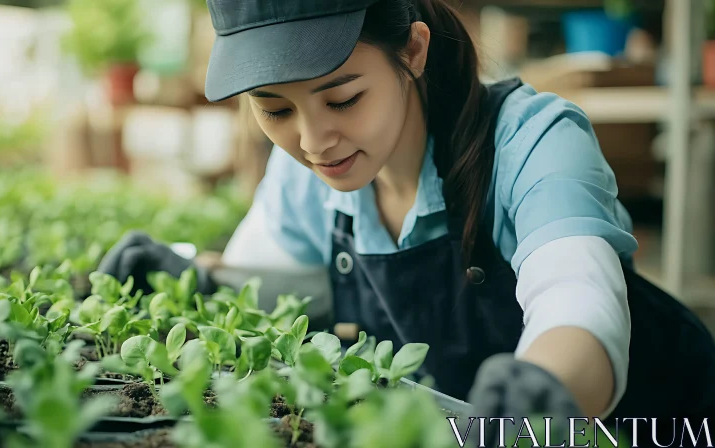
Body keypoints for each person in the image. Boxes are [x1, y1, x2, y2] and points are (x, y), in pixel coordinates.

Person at [99, 0, 715, 443]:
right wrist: (195, 274)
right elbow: (279, 284)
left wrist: (545, 386)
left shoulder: (534, 141)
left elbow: (579, 304)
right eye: (276, 109)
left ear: (413, 50)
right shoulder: (304, 176)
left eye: (343, 99)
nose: (315, 141)